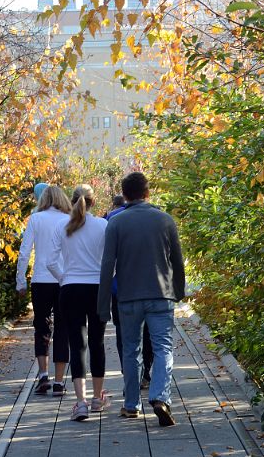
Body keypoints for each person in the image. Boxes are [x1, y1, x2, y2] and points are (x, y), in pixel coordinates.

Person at [97, 172, 185, 426]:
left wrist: (102, 306)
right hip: (161, 295)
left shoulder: (116, 223)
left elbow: (107, 266)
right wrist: (178, 291)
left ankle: (131, 404)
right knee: (163, 348)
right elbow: (177, 262)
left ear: (124, 195)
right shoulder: (165, 221)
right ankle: (160, 397)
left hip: (128, 298)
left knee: (131, 350)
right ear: (148, 193)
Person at [46, 185, 109, 422]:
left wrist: (65, 278)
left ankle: (80, 403)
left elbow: (50, 261)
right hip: (96, 290)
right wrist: (105, 278)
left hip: (70, 289)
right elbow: (111, 259)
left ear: (72, 202)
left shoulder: (61, 227)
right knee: (97, 342)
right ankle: (97, 398)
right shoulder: (103, 226)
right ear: (93, 202)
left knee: (77, 344)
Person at [17, 184, 72, 395]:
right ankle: (59, 382)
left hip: (41, 280)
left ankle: (42, 376)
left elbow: (24, 252)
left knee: (41, 327)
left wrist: (20, 281)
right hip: (64, 280)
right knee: (62, 329)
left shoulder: (36, 219)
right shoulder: (69, 220)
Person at [106, 197, 153, 390]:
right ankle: (146, 372)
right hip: (151, 286)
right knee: (148, 332)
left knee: (123, 333)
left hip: (122, 288)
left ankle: (129, 373)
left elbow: (108, 258)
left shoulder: (112, 219)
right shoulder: (157, 216)